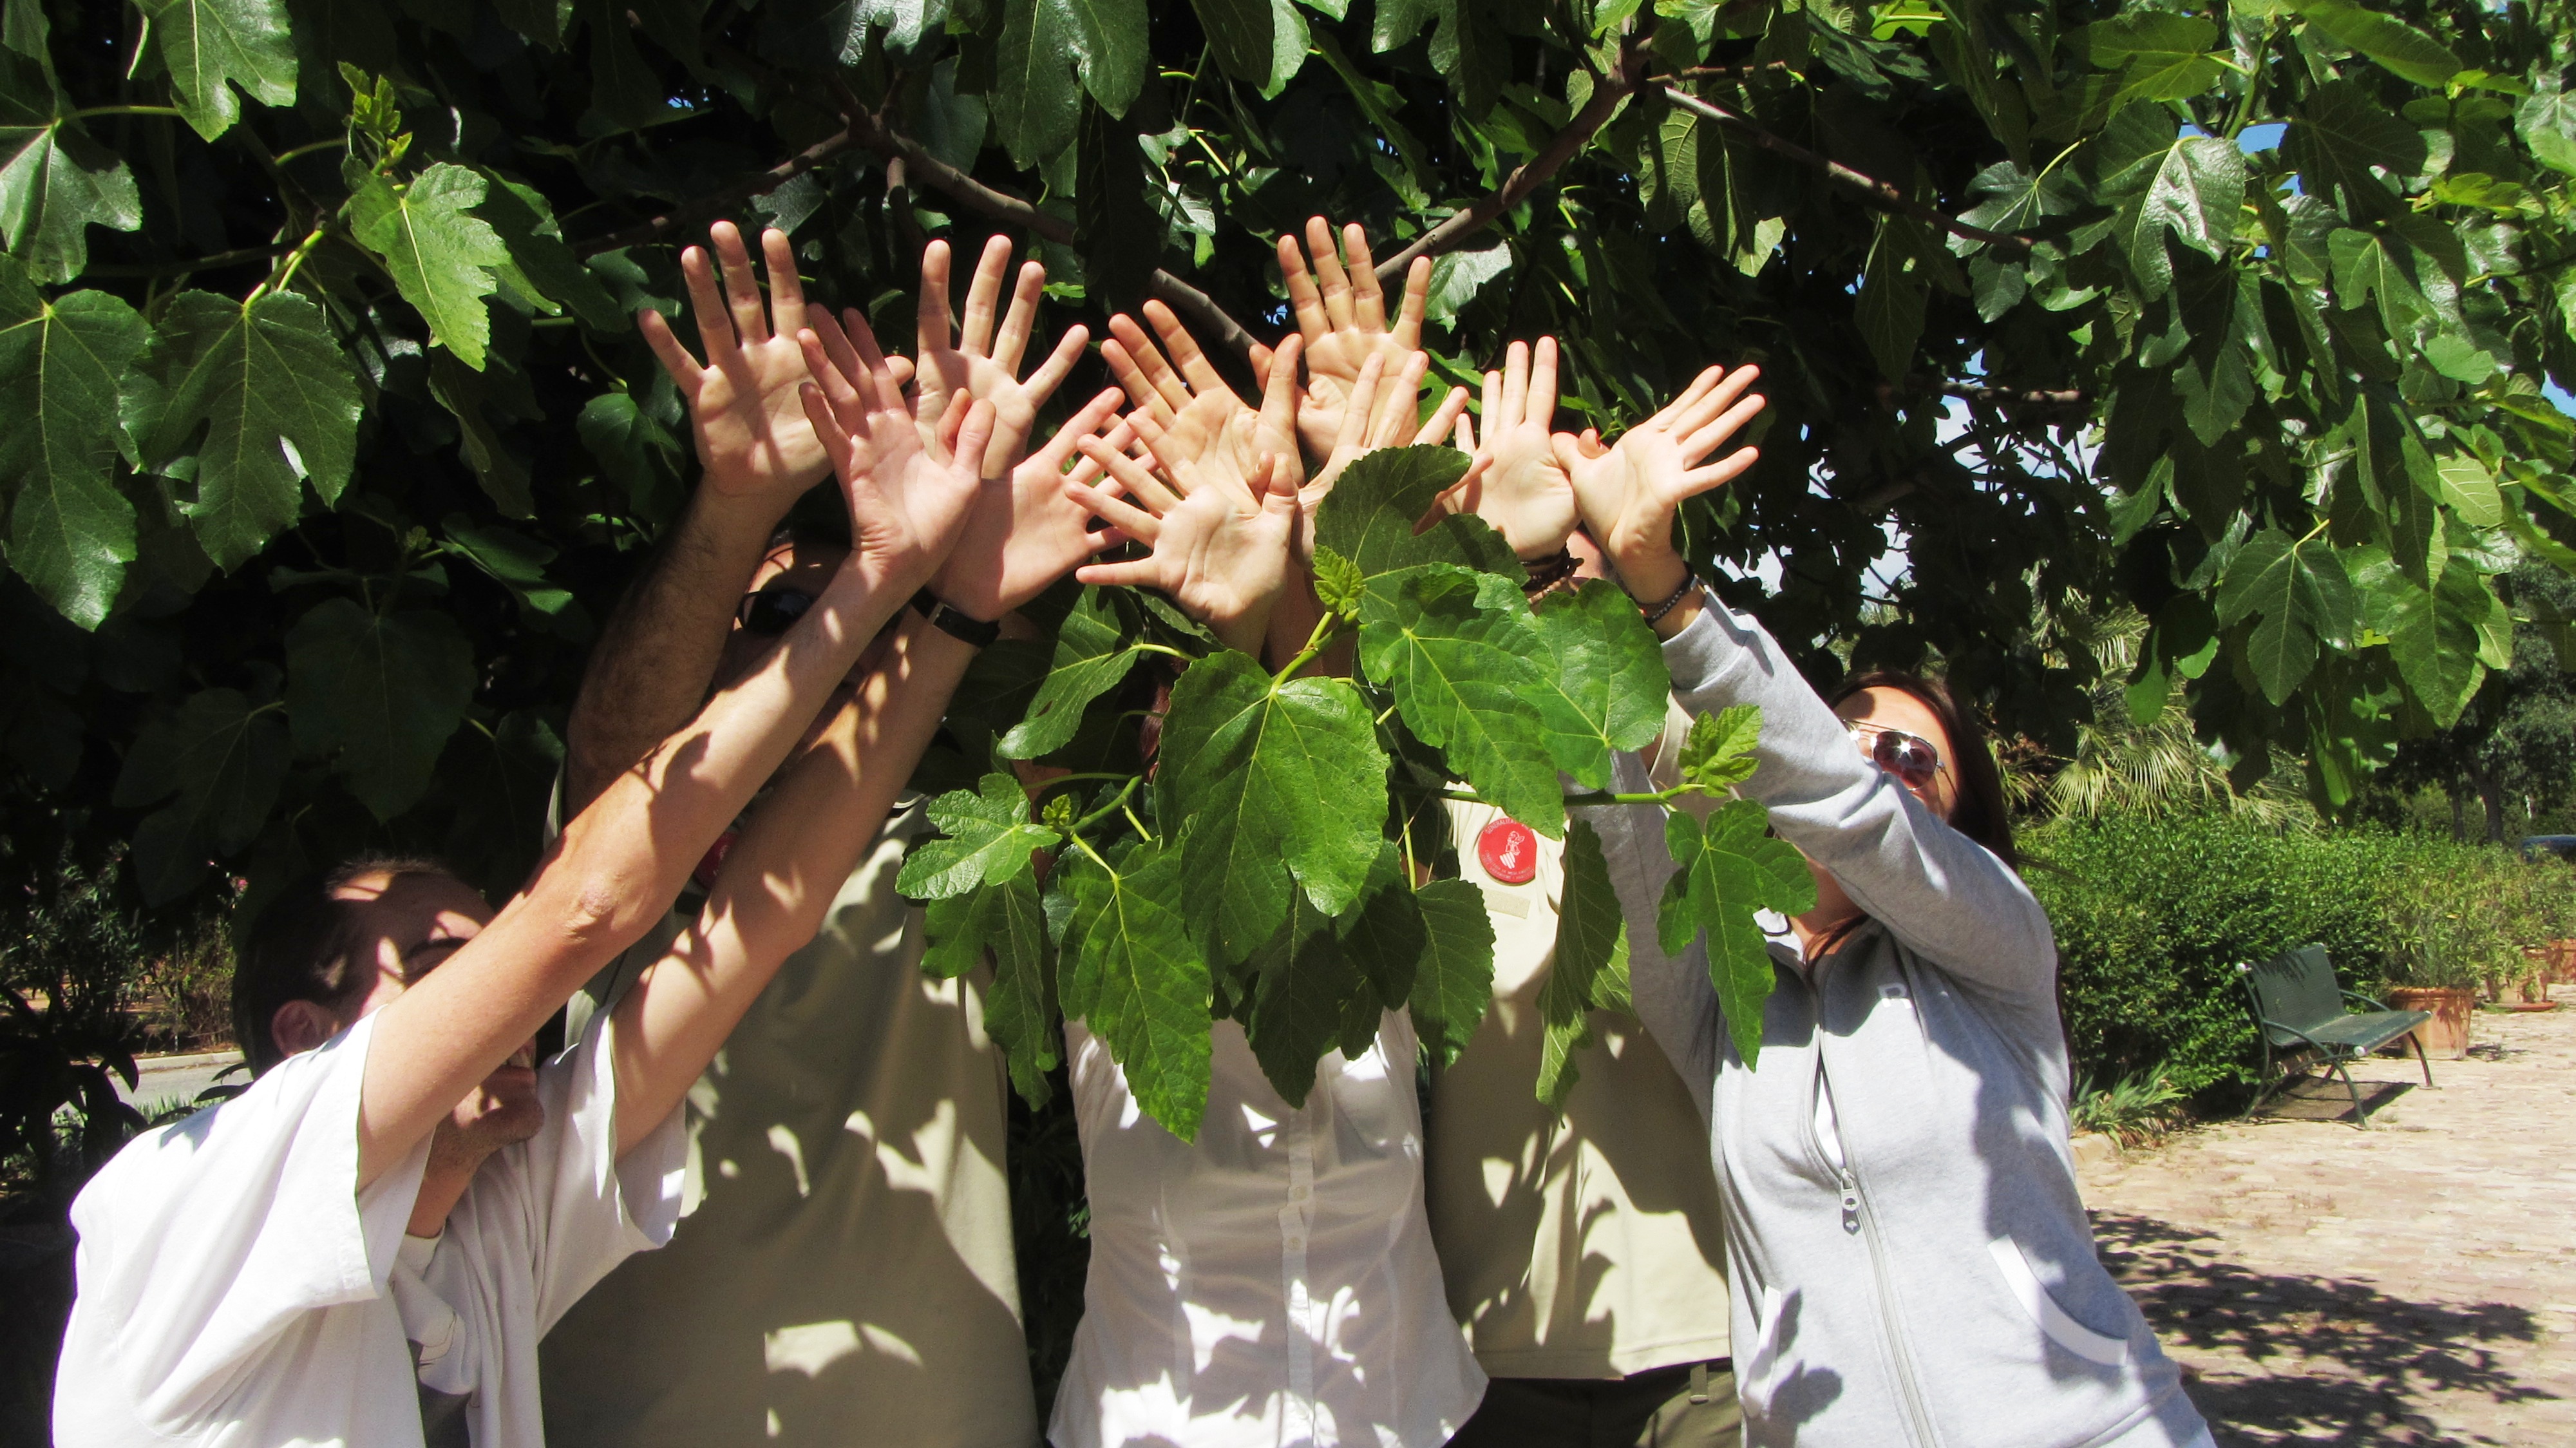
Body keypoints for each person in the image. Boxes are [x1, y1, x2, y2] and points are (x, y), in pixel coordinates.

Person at [52, 305, 1005, 1448]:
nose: (511, 1006)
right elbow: (585, 909)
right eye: (449, 965)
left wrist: (940, 598)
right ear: (304, 1038)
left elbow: (769, 914)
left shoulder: (488, 1230)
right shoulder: (199, 1201)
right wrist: (796, 538)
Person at [538, 225, 1120, 1448]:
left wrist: (977, 584)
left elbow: (1069, 777)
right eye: (782, 608)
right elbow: (612, 764)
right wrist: (737, 506)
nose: (834, 635)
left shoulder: (951, 849)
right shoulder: (625, 847)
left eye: (857, 608)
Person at [1560, 368, 2217, 1446]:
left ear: (1958, 817)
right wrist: (1569, 588)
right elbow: (1622, 822)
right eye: (1842, 731)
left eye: (1910, 757)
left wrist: (1666, 591)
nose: (1868, 762)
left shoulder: (1996, 942)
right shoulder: (1725, 982)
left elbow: (1848, 809)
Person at [1044, 262, 1485, 1448]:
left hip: (1406, 1414)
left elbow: (1315, 793)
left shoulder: (1369, 852)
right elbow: (1233, 859)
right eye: (1168, 719)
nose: (1192, 730)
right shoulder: (1093, 877)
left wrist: (1323, 537)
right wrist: (1234, 622)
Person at [1421, 334, 1743, 1447]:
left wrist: (1593, 574)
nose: (1561, 580)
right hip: (1485, 1351)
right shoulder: (1429, 785)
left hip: (1709, 1341)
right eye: (1536, 569)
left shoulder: (1686, 752)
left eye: (1579, 555)